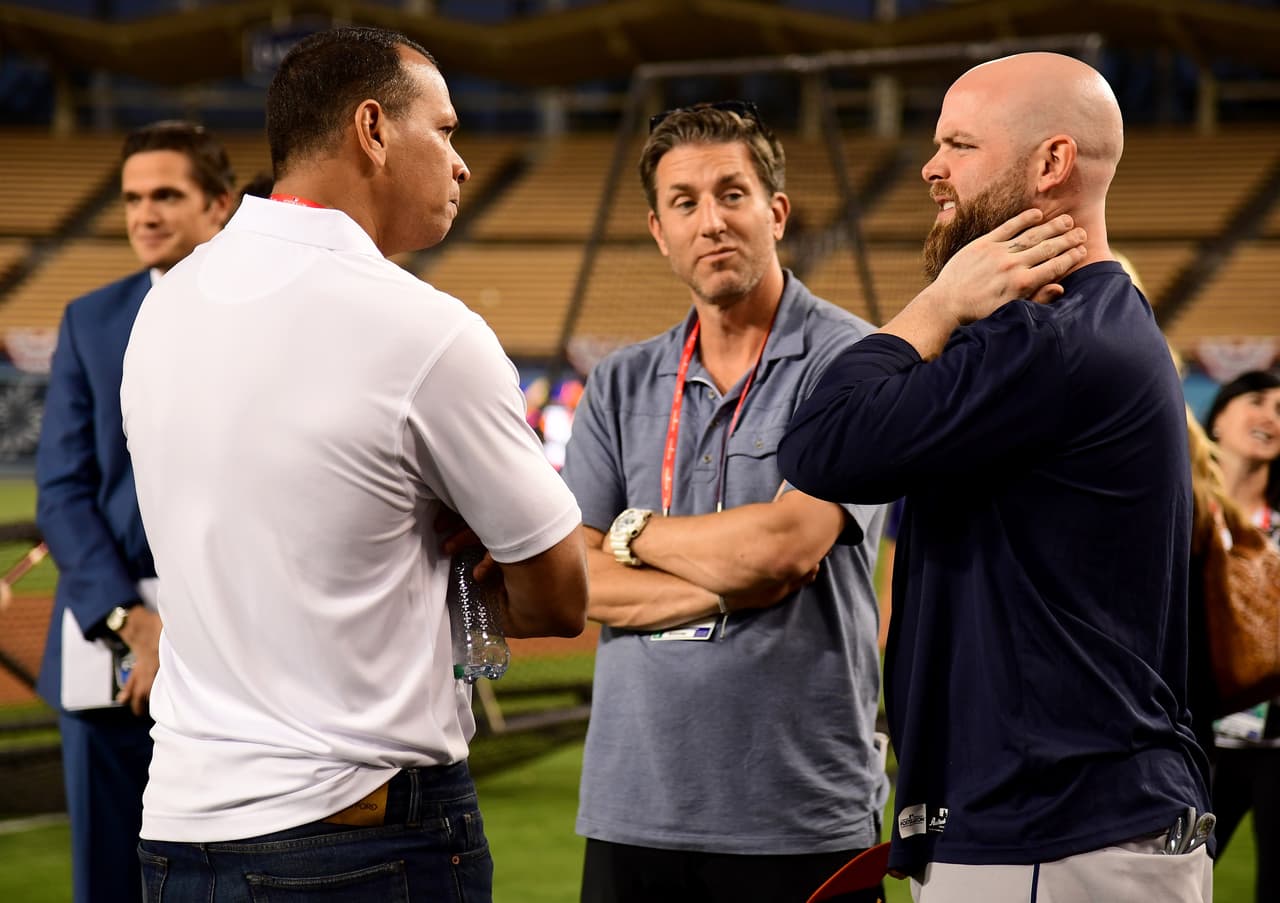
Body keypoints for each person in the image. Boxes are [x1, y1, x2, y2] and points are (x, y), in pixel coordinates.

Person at [120, 26, 588, 902]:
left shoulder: (164, 307)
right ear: (372, 129)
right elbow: (561, 595)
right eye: (444, 130)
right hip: (360, 833)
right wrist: (467, 570)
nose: (463, 163)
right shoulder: (423, 329)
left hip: (177, 831)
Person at [778, 52, 1212, 902]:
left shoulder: (1045, 343)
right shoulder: (1100, 320)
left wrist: (936, 305)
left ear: (1051, 163)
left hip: (1048, 827)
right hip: (1087, 820)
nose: (932, 168)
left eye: (958, 145)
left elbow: (820, 444)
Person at [34, 120, 234, 903]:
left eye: (167, 195)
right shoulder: (90, 320)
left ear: (219, 206)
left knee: (233, 871)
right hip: (108, 642)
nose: (144, 214)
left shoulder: (262, 318)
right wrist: (129, 617)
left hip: (229, 634)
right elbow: (62, 488)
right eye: (131, 198)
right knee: (110, 878)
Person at [1201, 369, 1280, 903]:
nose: (1271, 418)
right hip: (1192, 736)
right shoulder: (1176, 512)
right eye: (1257, 401)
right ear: (1219, 417)